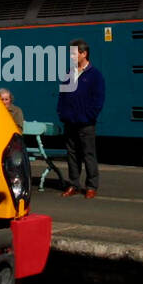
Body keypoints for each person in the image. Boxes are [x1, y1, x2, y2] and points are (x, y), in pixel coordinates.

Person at [56, 38, 104, 198]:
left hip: (86, 123)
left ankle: (91, 186)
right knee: (72, 154)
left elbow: (98, 100)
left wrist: (89, 116)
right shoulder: (69, 74)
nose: (71, 57)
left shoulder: (95, 75)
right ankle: (73, 184)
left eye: (74, 54)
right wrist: (62, 113)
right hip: (69, 122)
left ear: (84, 54)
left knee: (88, 154)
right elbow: (62, 96)